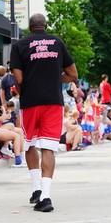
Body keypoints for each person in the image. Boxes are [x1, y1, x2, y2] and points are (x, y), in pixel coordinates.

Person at [10, 13, 78, 212]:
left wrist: (23, 92)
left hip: (30, 102)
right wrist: (55, 80)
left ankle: (36, 189)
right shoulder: (57, 42)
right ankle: (46, 197)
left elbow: (19, 79)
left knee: (30, 143)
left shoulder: (19, 45)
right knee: (48, 147)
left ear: (29, 27)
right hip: (53, 102)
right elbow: (73, 74)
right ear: (45, 26)